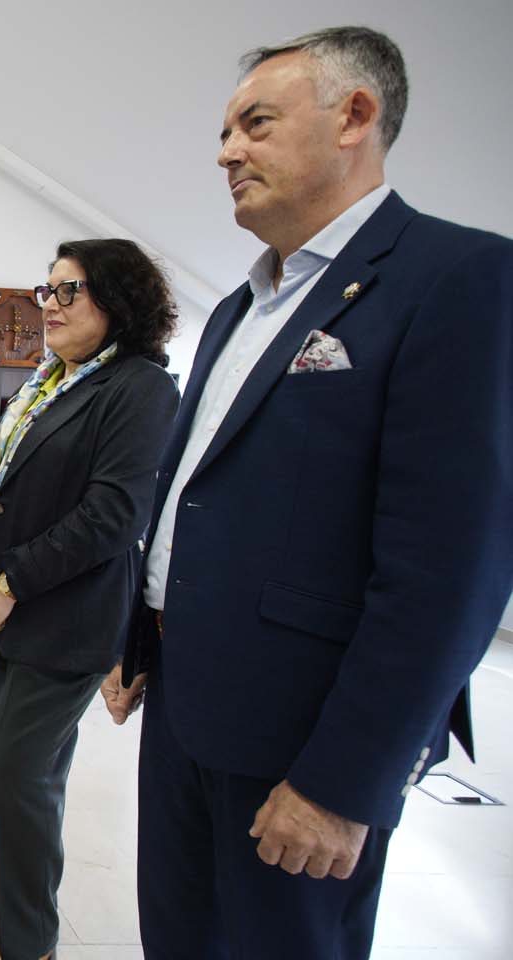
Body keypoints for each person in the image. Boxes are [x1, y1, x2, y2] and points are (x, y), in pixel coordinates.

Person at [101, 26, 513, 958]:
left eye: (254, 124)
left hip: (302, 741)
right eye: (225, 131)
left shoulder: (455, 280)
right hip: (183, 707)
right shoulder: (240, 308)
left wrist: (344, 782)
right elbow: (195, 492)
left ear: (354, 118)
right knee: (178, 937)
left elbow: (451, 569)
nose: (225, 151)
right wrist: (139, 635)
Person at [0, 240, 178, 960]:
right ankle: (18, 899)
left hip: (65, 620)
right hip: (4, 617)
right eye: (46, 291)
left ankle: (32, 939)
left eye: (68, 291)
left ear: (118, 300)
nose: (48, 305)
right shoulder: (49, 377)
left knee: (18, 771)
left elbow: (113, 515)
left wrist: (10, 586)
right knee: (19, 772)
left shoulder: (139, 389)